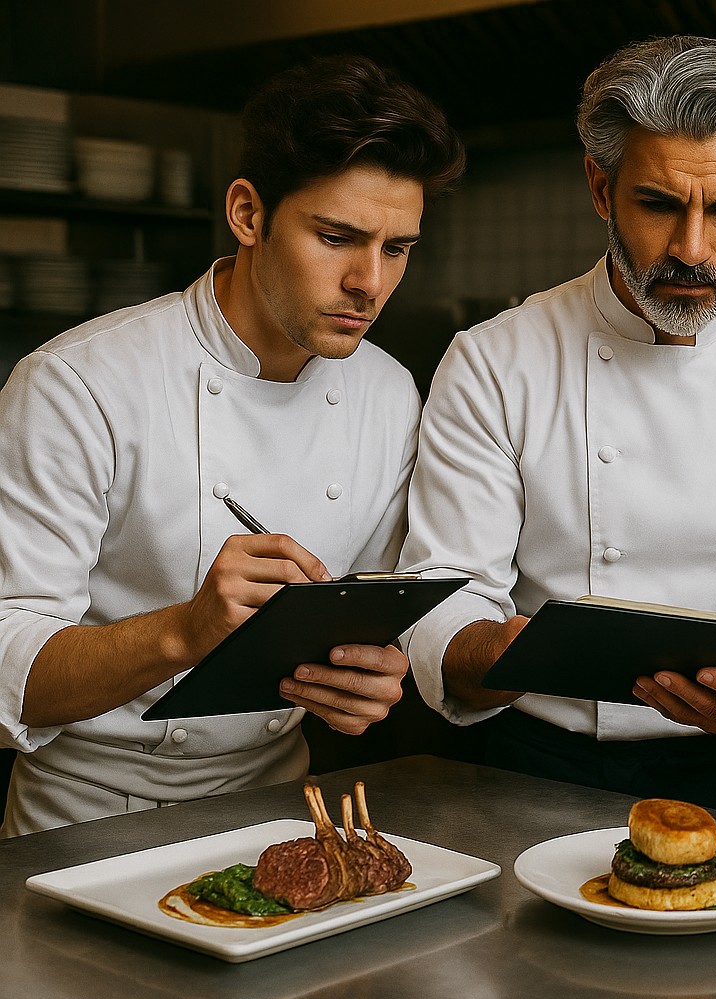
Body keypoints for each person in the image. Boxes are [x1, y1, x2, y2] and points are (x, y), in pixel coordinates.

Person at [398, 36, 716, 826]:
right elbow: (443, 601)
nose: (692, 250)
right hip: (543, 777)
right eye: (659, 204)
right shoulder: (495, 361)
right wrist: (513, 652)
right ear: (601, 188)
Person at [0, 56, 466, 837]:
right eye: (337, 236)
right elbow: (7, 657)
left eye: (397, 248)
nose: (369, 283)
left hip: (280, 809)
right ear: (248, 214)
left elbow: (378, 608)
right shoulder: (76, 383)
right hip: (81, 822)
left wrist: (371, 677)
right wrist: (185, 630)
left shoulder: (388, 392)